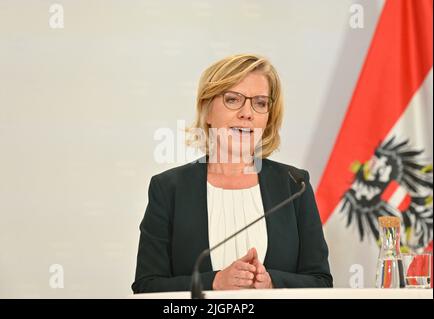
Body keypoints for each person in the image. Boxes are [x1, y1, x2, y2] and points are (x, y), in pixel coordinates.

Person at [132, 54, 333, 293]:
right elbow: (147, 286)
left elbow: (321, 281)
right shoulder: (168, 188)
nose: (247, 113)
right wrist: (214, 283)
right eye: (233, 99)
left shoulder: (294, 184)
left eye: (259, 103)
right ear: (207, 111)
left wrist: (272, 283)